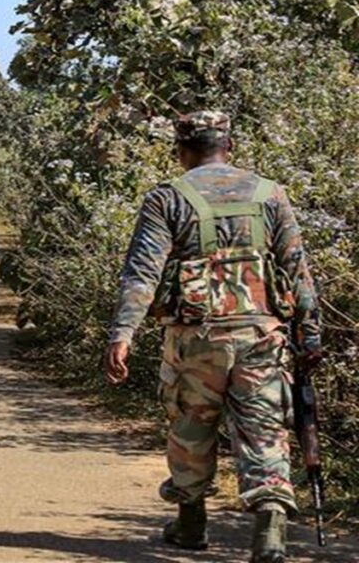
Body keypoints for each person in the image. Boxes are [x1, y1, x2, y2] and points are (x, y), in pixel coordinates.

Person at [103, 111, 321, 563]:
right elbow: (298, 271)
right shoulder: (270, 193)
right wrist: (312, 335)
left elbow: (142, 273)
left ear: (181, 150)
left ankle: (190, 525)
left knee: (190, 428)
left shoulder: (168, 197)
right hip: (262, 336)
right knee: (264, 431)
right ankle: (270, 537)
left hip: (195, 340)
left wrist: (122, 334)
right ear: (229, 145)